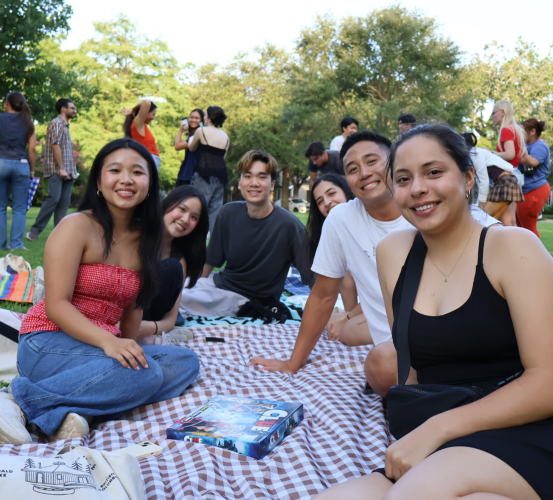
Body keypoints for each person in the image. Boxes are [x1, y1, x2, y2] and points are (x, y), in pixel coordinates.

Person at [313, 124, 553, 500]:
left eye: (434, 172)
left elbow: (548, 381)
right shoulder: (393, 253)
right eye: (404, 178)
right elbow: (410, 369)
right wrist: (420, 434)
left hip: (524, 429)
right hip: (440, 436)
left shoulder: (512, 248)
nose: (418, 188)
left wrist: (437, 429)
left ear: (468, 176)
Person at [251, 131, 496, 398]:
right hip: (401, 353)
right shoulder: (343, 220)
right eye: (352, 169)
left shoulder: (435, 213)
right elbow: (323, 295)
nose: (364, 173)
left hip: (462, 340)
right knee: (381, 364)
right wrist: (292, 362)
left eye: (372, 161)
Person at [0, 138, 199, 445]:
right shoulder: (75, 226)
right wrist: (110, 344)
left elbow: (131, 319)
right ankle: (22, 398)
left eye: (137, 172)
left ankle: (74, 407)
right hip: (47, 340)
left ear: (149, 184)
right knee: (146, 374)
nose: (126, 179)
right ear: (98, 181)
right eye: (115, 170)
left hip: (99, 347)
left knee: (183, 363)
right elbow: (56, 304)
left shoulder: (147, 241)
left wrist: (124, 349)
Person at [180, 150, 312, 318]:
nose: (254, 183)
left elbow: (311, 276)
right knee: (172, 289)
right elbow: (209, 264)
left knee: (180, 299)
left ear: (272, 184)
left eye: (262, 177)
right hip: (219, 285)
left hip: (252, 300)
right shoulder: (227, 213)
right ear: (240, 182)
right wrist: (192, 284)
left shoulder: (290, 226)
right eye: (248, 176)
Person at [137, 185, 208, 343]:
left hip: (146, 321)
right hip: (119, 310)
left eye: (194, 217)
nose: (185, 219)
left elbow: (170, 318)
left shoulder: (179, 262)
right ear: (168, 204)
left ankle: (153, 338)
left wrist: (146, 328)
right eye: (182, 209)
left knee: (171, 268)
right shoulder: (136, 234)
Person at [307, 174, 371, 346]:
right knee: (336, 324)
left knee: (347, 331)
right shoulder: (335, 232)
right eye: (320, 201)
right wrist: (348, 315)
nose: (326, 202)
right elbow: (343, 283)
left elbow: (381, 293)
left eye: (331, 193)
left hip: (390, 304)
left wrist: (348, 318)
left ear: (346, 191)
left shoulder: (368, 222)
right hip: (367, 309)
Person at [26, 98, 77, 242]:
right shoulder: (56, 123)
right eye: (72, 108)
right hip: (57, 170)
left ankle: (59, 234)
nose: (75, 111)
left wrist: (70, 170)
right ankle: (34, 231)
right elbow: (55, 146)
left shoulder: (65, 125)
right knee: (53, 199)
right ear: (63, 109)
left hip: (68, 171)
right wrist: (61, 168)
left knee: (64, 203)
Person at [0, 92, 36, 250]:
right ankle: (16, 244)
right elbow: (32, 148)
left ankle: (1, 244)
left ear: (7, 103)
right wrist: (32, 170)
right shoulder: (27, 121)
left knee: (0, 207)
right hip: (21, 164)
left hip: (1, 163)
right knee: (20, 208)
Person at [188, 106, 229, 234]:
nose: (204, 118)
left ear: (210, 117)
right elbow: (223, 156)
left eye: (205, 115)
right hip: (220, 176)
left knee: (197, 206)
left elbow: (191, 147)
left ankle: (193, 236)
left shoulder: (201, 131)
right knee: (215, 210)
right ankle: (212, 242)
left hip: (203, 174)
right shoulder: (226, 137)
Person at [489, 100, 526, 226]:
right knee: (511, 221)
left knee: (505, 221)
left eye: (493, 113)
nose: (492, 117)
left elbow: (510, 154)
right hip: (516, 175)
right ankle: (518, 246)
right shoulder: (516, 130)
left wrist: (490, 154)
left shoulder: (506, 130)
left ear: (503, 113)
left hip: (507, 177)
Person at [461, 132, 517, 210]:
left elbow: (483, 180)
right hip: (512, 179)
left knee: (486, 217)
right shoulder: (477, 152)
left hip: (506, 181)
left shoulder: (475, 155)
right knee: (509, 221)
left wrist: (481, 203)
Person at [517, 119, 551, 238]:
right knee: (518, 227)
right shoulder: (528, 145)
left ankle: (536, 256)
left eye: (523, 132)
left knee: (528, 227)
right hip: (525, 189)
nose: (521, 135)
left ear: (533, 131)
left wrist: (516, 151)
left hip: (535, 189)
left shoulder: (539, 146)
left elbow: (533, 162)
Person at [122, 100, 160, 170]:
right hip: (149, 159)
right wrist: (134, 110)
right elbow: (147, 102)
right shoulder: (138, 124)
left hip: (149, 159)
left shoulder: (140, 125)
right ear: (146, 113)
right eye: (153, 114)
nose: (154, 118)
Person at [174, 109, 205, 186]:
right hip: (185, 173)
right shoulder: (191, 135)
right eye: (191, 117)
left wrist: (180, 131)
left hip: (192, 175)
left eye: (196, 118)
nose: (193, 120)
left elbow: (177, 146)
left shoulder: (198, 136)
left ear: (202, 120)